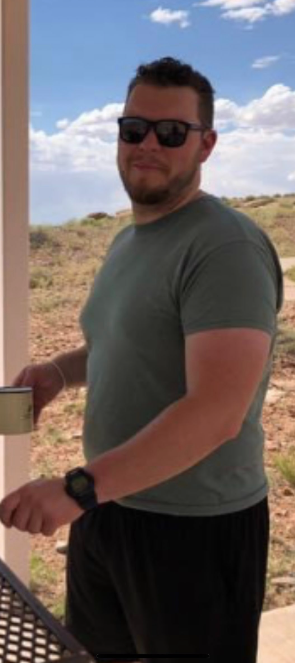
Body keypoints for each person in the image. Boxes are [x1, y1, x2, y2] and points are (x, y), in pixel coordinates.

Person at [0, 57, 284, 662]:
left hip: (193, 529)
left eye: (171, 132)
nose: (148, 144)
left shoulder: (225, 246)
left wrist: (74, 490)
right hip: (112, 503)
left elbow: (216, 412)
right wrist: (57, 371)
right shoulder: (130, 238)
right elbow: (118, 339)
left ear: (205, 145)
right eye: (134, 129)